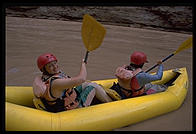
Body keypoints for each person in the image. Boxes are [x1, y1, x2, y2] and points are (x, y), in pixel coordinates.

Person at [33, 53, 112, 112]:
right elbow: (81, 79)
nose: (55, 66)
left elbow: (81, 82)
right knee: (93, 87)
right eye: (50, 66)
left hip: (67, 99)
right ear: (44, 69)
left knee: (87, 83)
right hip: (72, 109)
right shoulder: (55, 83)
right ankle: (112, 105)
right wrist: (83, 64)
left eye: (55, 63)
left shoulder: (45, 77)